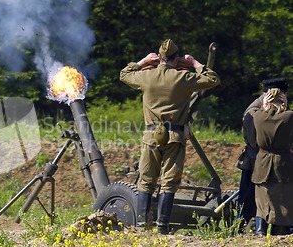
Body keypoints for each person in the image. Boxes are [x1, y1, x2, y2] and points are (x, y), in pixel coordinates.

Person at [120, 39, 220, 234]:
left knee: (146, 180)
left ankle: (142, 226)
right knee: (169, 182)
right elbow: (213, 79)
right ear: (176, 58)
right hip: (174, 136)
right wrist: (195, 63)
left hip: (151, 135)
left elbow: (124, 74)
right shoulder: (183, 77)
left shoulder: (146, 76)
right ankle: (162, 227)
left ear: (160, 57)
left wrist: (142, 62)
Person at [236, 77, 289, 235]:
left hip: (259, 160)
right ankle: (239, 230)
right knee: (250, 200)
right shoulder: (255, 112)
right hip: (255, 161)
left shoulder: (257, 109)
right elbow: (255, 140)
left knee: (259, 200)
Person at [251, 87, 293, 236]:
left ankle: (259, 230)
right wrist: (286, 104)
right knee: (283, 202)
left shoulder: (258, 117)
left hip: (262, 161)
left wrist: (264, 107)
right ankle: (278, 232)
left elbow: (257, 114)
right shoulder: (288, 117)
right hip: (283, 163)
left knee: (262, 200)